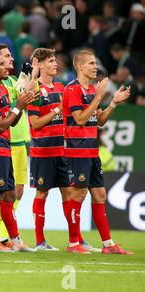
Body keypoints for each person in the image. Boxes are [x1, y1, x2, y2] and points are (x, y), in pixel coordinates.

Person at [27, 48, 99, 252]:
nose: (55, 64)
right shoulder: (35, 90)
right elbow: (35, 123)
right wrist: (57, 109)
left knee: (69, 194)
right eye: (50, 61)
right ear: (40, 65)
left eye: (55, 61)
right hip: (43, 151)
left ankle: (75, 240)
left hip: (63, 151)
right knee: (42, 194)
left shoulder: (61, 87)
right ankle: (40, 241)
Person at [62, 49, 132, 254]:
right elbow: (81, 119)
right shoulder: (72, 90)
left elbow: (98, 120)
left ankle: (108, 245)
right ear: (80, 66)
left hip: (92, 150)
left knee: (100, 194)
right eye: (92, 63)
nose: (96, 67)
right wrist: (99, 96)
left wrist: (113, 103)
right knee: (79, 192)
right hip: (77, 149)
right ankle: (73, 243)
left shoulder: (92, 90)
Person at [0, 52, 37, 252]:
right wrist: (19, 106)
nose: (7, 67)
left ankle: (16, 240)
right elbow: (0, 125)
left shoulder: (2, 89)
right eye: (1, 64)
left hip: (4, 145)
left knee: (10, 195)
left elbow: (13, 121)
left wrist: (21, 105)